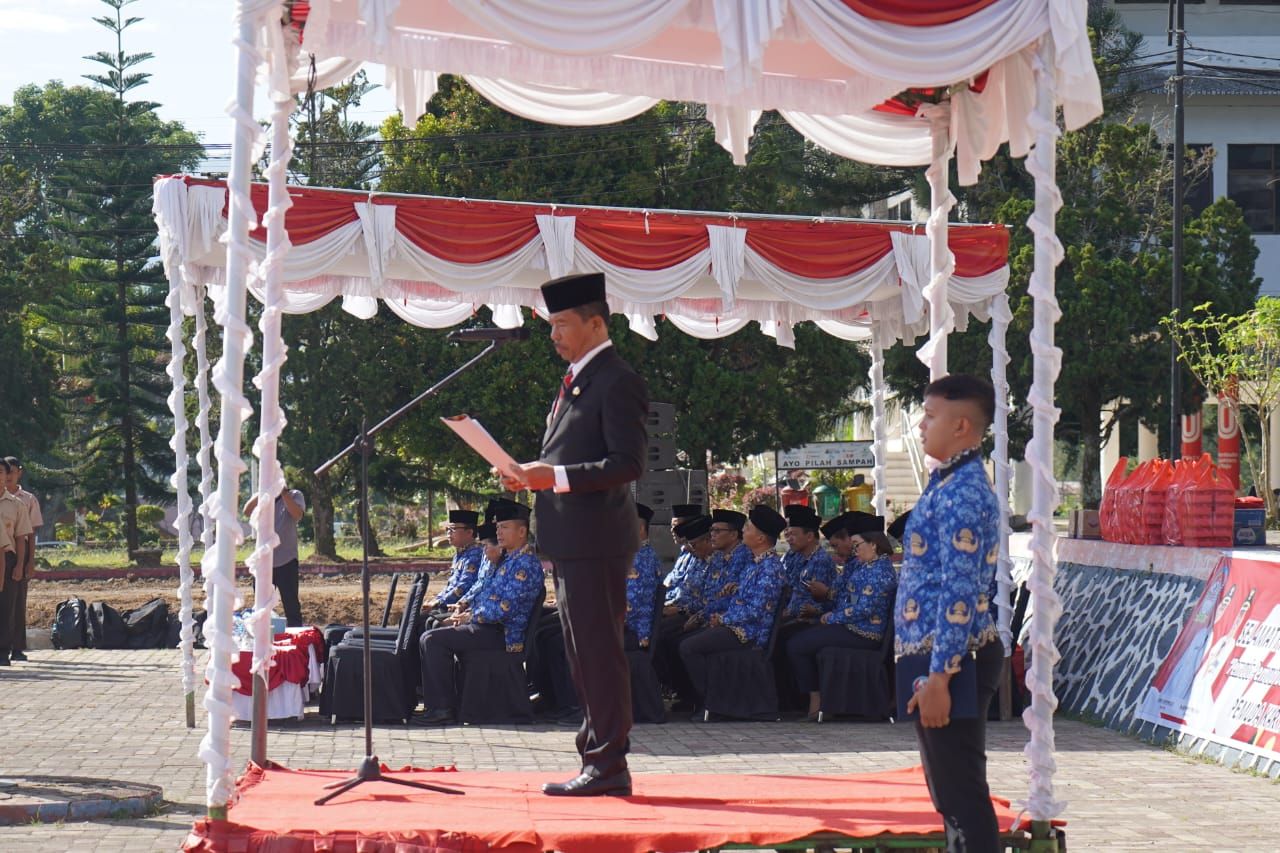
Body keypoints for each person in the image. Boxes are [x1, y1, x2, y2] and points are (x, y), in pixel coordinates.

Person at [502, 272, 648, 798]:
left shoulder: (617, 379)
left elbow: (627, 463)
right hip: (572, 540)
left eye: (562, 324)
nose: (554, 335)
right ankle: (596, 757)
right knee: (582, 654)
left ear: (596, 324)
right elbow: (571, 455)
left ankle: (608, 766)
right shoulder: (578, 380)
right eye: (551, 325)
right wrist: (531, 474)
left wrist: (555, 477)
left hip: (596, 540)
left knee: (598, 653)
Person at [896, 374, 1003, 852]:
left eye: (930, 415)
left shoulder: (963, 492)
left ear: (961, 425)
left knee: (961, 798)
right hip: (943, 655)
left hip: (954, 660)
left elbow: (959, 591)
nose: (921, 426)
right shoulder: (949, 481)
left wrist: (940, 677)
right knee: (951, 795)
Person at [415, 500, 543, 725]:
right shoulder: (507, 559)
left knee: (432, 639)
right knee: (433, 630)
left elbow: (504, 608)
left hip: (502, 633)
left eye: (504, 527)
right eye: (498, 527)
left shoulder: (525, 563)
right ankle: (442, 702)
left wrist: (469, 617)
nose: (498, 532)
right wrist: (465, 612)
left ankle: (442, 708)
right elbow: (484, 593)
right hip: (486, 626)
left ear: (522, 531)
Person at [534, 503, 663, 724]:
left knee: (564, 643)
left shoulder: (640, 559)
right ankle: (557, 700)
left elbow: (627, 605)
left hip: (628, 631)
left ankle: (578, 706)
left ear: (639, 529)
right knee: (546, 636)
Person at [678, 505, 787, 718]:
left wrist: (723, 619)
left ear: (761, 539)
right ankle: (712, 701)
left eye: (748, 528)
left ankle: (712, 702)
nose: (743, 531)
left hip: (749, 632)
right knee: (689, 641)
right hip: (737, 625)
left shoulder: (770, 568)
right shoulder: (756, 563)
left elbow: (755, 610)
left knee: (689, 648)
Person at [787, 515, 896, 720]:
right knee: (800, 641)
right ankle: (819, 700)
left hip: (864, 632)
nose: (855, 551)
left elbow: (863, 608)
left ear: (873, 544)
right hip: (851, 626)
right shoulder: (867, 566)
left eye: (857, 545)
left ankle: (817, 701)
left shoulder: (880, 571)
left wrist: (832, 618)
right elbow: (850, 599)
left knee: (798, 645)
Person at [242, 486, 306, 627]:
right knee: (261, 606)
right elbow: (246, 511)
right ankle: (262, 634)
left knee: (291, 605)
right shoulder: (262, 495)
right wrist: (264, 490)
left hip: (286, 560)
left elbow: (297, 515)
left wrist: (283, 492)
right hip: (263, 561)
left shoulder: (294, 495)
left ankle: (295, 633)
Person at [4, 457, 40, 661]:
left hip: (19, 552)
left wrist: (29, 561)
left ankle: (17, 646)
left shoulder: (27, 500)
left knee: (17, 602)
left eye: (12, 471)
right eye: (5, 471)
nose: (8, 476)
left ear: (20, 472)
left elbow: (30, 534)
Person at [0, 459, 32, 666]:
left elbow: (21, 538)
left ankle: (3, 651)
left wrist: (20, 564)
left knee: (6, 606)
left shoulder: (16, 504)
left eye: (1, 472)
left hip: (8, 559)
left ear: (7, 475)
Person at [428, 509, 484, 612]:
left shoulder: (475, 554)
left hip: (463, 608)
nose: (448, 532)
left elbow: (463, 587)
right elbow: (451, 586)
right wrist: (437, 599)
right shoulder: (460, 553)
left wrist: (439, 603)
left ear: (469, 532)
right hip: (450, 605)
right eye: (447, 529)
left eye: (453, 529)